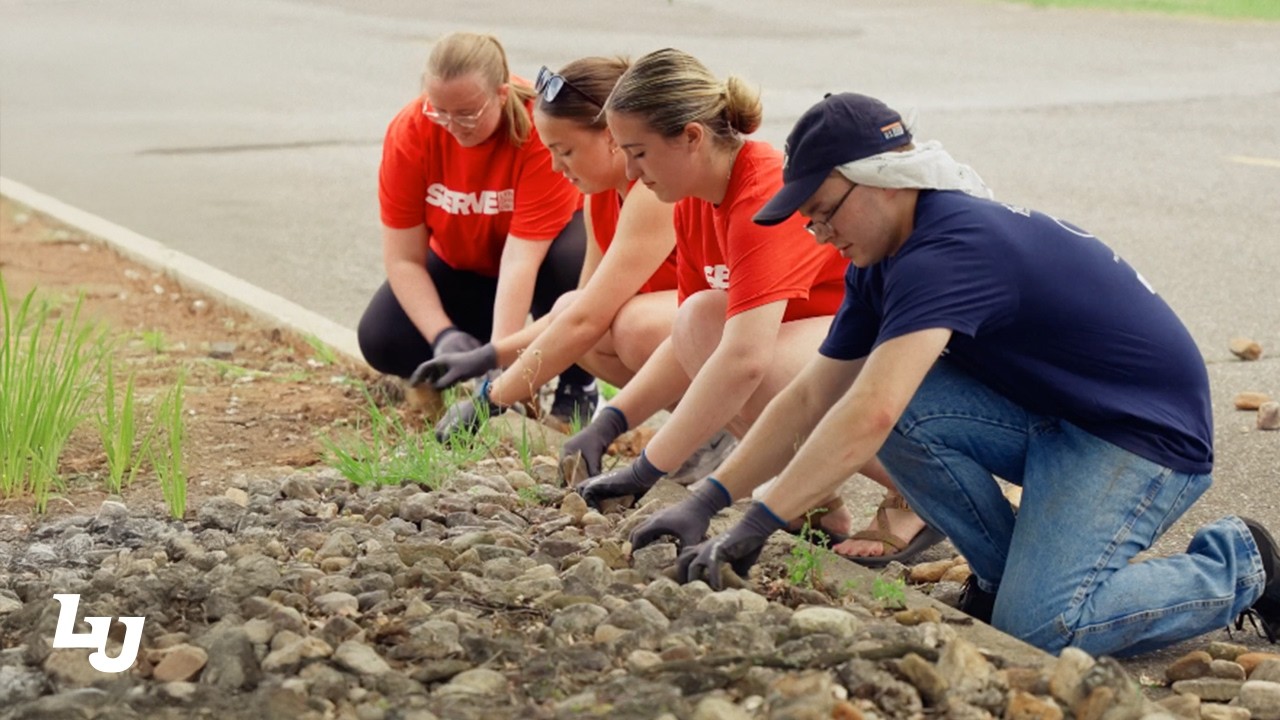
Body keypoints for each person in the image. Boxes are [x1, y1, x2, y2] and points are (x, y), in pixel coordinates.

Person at [636, 91, 1280, 657]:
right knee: (885, 403)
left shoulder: (950, 248)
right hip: (1058, 416)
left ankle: (1239, 561)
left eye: (826, 210)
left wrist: (759, 522)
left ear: (884, 179)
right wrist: (707, 500)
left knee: (1043, 630)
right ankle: (1005, 577)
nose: (819, 231)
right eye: (809, 218)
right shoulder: (879, 258)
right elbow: (814, 395)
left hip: (1142, 439)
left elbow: (872, 414)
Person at [566, 49, 943, 565]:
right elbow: (689, 348)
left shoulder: (760, 189)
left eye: (639, 153)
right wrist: (610, 422)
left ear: (691, 138)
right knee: (698, 320)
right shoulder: (693, 201)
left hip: (897, 350)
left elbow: (744, 361)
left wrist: (647, 470)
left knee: (752, 366)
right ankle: (812, 497)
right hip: (829, 342)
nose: (629, 171)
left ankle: (917, 489)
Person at [419, 57, 680, 442]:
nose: (557, 167)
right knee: (571, 310)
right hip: (701, 334)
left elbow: (588, 319)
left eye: (566, 151)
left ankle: (711, 427)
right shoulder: (601, 197)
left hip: (757, 333)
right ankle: (707, 429)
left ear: (611, 136)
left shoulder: (652, 194)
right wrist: (490, 356)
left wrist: (490, 398)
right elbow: (577, 311)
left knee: (632, 327)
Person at [357, 31, 597, 424]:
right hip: (464, 266)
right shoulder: (411, 132)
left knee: (574, 260)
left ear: (502, 95)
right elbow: (402, 259)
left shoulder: (539, 130)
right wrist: (442, 336)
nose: (452, 125)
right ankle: (443, 373)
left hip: (537, 272)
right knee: (381, 338)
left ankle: (578, 383)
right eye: (440, 111)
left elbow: (521, 259)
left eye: (467, 113)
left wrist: (497, 372)